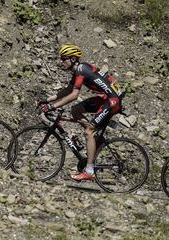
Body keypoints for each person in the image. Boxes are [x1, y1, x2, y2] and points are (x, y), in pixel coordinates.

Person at [39, 44, 122, 181]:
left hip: (112, 101)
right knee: (75, 110)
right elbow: (67, 91)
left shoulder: (81, 69)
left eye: (64, 58)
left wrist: (52, 107)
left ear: (72, 59)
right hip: (107, 98)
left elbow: (74, 96)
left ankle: (89, 171)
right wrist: (47, 101)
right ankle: (93, 136)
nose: (61, 61)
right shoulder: (79, 70)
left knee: (88, 131)